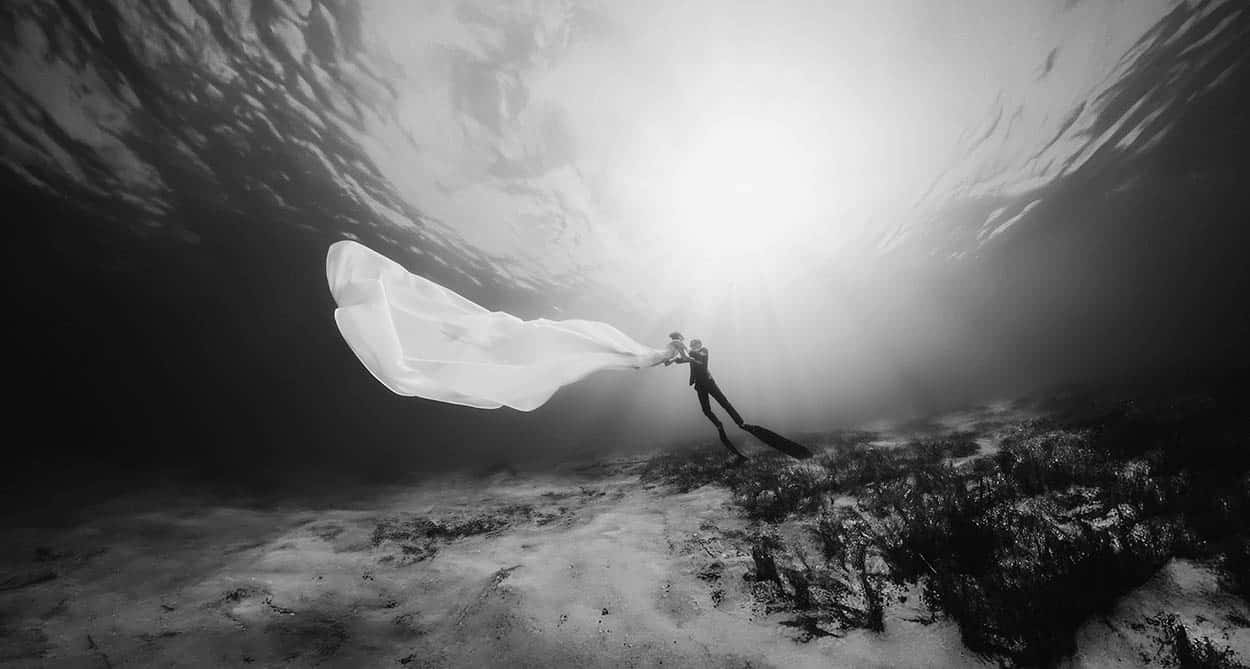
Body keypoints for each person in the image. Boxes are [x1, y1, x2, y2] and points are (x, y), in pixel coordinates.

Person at [674, 338, 748, 462]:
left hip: (709, 383)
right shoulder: (692, 353)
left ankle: (739, 422)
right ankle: (719, 425)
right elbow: (682, 360)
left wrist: (685, 349)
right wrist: (671, 359)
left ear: (699, 345)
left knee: (724, 403)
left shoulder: (704, 351)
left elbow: (698, 357)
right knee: (706, 410)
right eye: (692, 345)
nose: (693, 347)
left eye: (695, 345)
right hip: (700, 386)